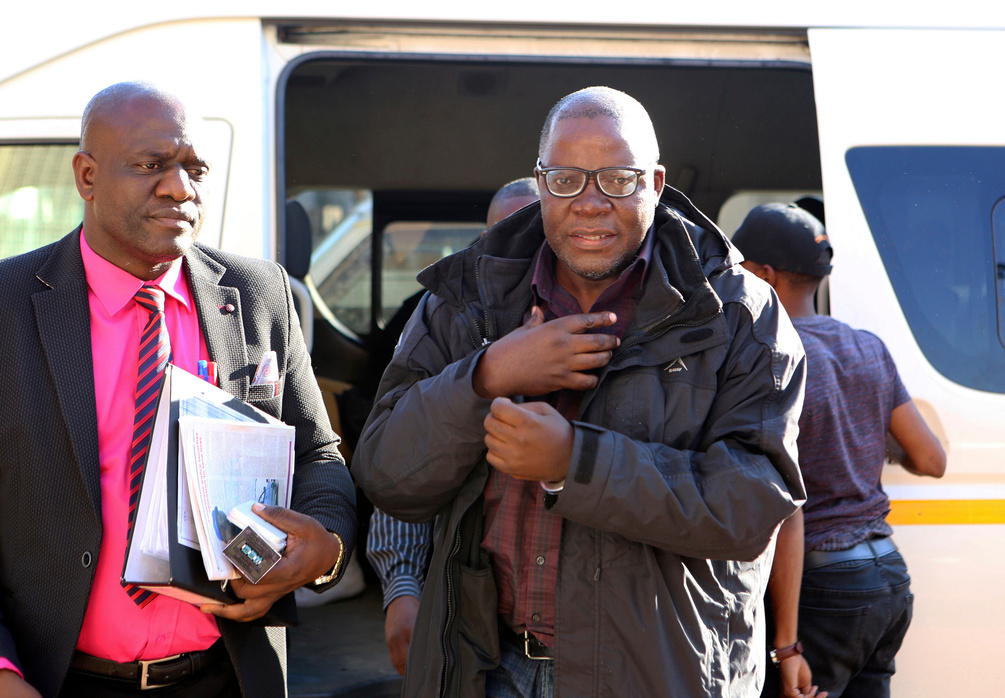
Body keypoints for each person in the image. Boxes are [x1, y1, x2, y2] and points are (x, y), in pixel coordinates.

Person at [351, 86, 808, 697]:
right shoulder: (467, 301)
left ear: (655, 181)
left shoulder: (737, 313)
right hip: (485, 668)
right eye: (566, 179)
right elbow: (385, 474)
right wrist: (485, 375)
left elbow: (753, 506)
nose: (590, 202)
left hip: (656, 676)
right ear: (541, 182)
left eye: (618, 179)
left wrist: (575, 462)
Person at [0, 82, 358, 698]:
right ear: (86, 176)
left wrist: (324, 547)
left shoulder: (255, 294)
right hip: (54, 679)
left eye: (194, 168)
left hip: (231, 675)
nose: (180, 189)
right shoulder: (9, 305)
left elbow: (318, 457)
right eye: (151, 166)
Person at [732, 203, 946, 698]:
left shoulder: (772, 357)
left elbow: (788, 509)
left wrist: (785, 648)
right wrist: (869, 439)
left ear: (765, 274)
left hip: (821, 589)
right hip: (888, 578)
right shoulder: (866, 347)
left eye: (739, 269)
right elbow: (931, 460)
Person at [366, 177, 541, 676]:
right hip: (474, 613)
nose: (518, 257)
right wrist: (402, 585)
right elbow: (407, 460)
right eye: (501, 242)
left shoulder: (607, 326)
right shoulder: (455, 320)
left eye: (535, 238)